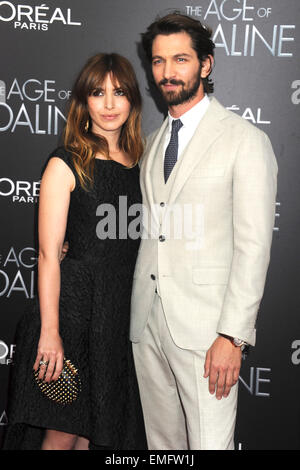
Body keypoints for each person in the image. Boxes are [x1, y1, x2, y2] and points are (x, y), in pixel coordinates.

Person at [130, 13, 278, 450]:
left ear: (206, 65)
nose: (168, 73)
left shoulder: (244, 141)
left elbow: (254, 247)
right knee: (163, 449)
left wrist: (233, 336)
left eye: (180, 59)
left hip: (208, 333)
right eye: (158, 62)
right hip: (148, 326)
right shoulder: (153, 143)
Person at [3, 53, 146, 450]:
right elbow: (49, 255)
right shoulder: (66, 164)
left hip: (118, 318)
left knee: (94, 432)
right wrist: (50, 332)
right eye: (98, 93)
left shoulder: (143, 166)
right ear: (84, 102)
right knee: (63, 430)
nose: (110, 104)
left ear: (132, 99)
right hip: (72, 313)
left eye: (119, 93)